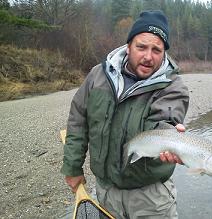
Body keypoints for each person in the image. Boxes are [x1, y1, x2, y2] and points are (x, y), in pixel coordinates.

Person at [61, 10, 189, 218]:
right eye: (141, 47)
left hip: (151, 199)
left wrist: (171, 138)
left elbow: (165, 122)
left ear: (164, 53)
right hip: (106, 192)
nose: (148, 56)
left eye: (157, 50)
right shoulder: (97, 75)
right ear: (128, 46)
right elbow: (78, 121)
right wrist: (73, 167)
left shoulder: (173, 88)